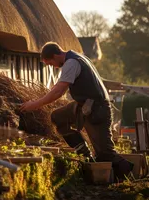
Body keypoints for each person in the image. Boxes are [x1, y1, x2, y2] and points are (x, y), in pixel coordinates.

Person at [20, 42, 133, 180]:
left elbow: (59, 91)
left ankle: (129, 175)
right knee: (57, 116)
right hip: (83, 105)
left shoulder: (71, 63)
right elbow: (59, 86)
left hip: (97, 109)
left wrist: (35, 104)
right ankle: (84, 152)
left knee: (105, 153)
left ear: (55, 55)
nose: (53, 66)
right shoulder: (77, 58)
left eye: (51, 63)